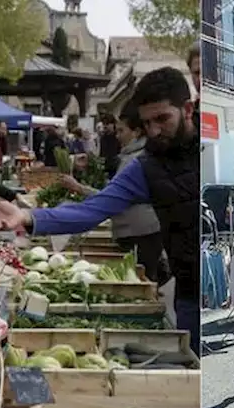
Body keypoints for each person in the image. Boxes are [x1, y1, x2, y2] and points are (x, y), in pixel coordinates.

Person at [0, 67, 200, 353]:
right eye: (147, 123)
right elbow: (91, 211)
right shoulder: (145, 167)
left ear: (186, 109)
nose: (154, 131)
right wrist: (27, 216)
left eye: (162, 119)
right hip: (188, 295)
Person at [57, 103, 167, 283]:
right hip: (139, 230)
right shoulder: (131, 156)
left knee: (142, 281)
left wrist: (78, 188)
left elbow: (113, 198)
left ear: (137, 132)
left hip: (139, 232)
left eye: (121, 131)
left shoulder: (136, 160)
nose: (117, 136)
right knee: (144, 278)